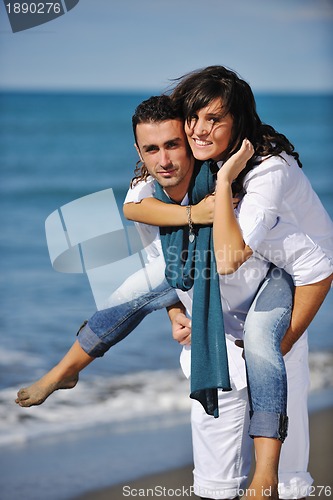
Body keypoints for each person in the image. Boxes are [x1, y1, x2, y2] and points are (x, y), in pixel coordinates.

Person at [16, 94, 332, 499]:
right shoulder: (149, 194)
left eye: (172, 145)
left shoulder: (237, 193)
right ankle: (66, 371)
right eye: (151, 149)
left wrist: (218, 199)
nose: (164, 159)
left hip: (265, 305)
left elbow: (297, 262)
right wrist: (175, 306)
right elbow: (145, 233)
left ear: (188, 141)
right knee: (126, 295)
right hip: (206, 324)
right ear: (139, 152)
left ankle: (266, 475)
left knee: (286, 482)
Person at [122, 77, 333, 499]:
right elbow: (138, 212)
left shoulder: (267, 170)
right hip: (214, 328)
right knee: (214, 482)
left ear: (238, 122)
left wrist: (284, 340)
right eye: (193, 118)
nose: (200, 129)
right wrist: (175, 312)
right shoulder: (181, 159)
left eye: (214, 119)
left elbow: (237, 257)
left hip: (280, 308)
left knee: (284, 483)